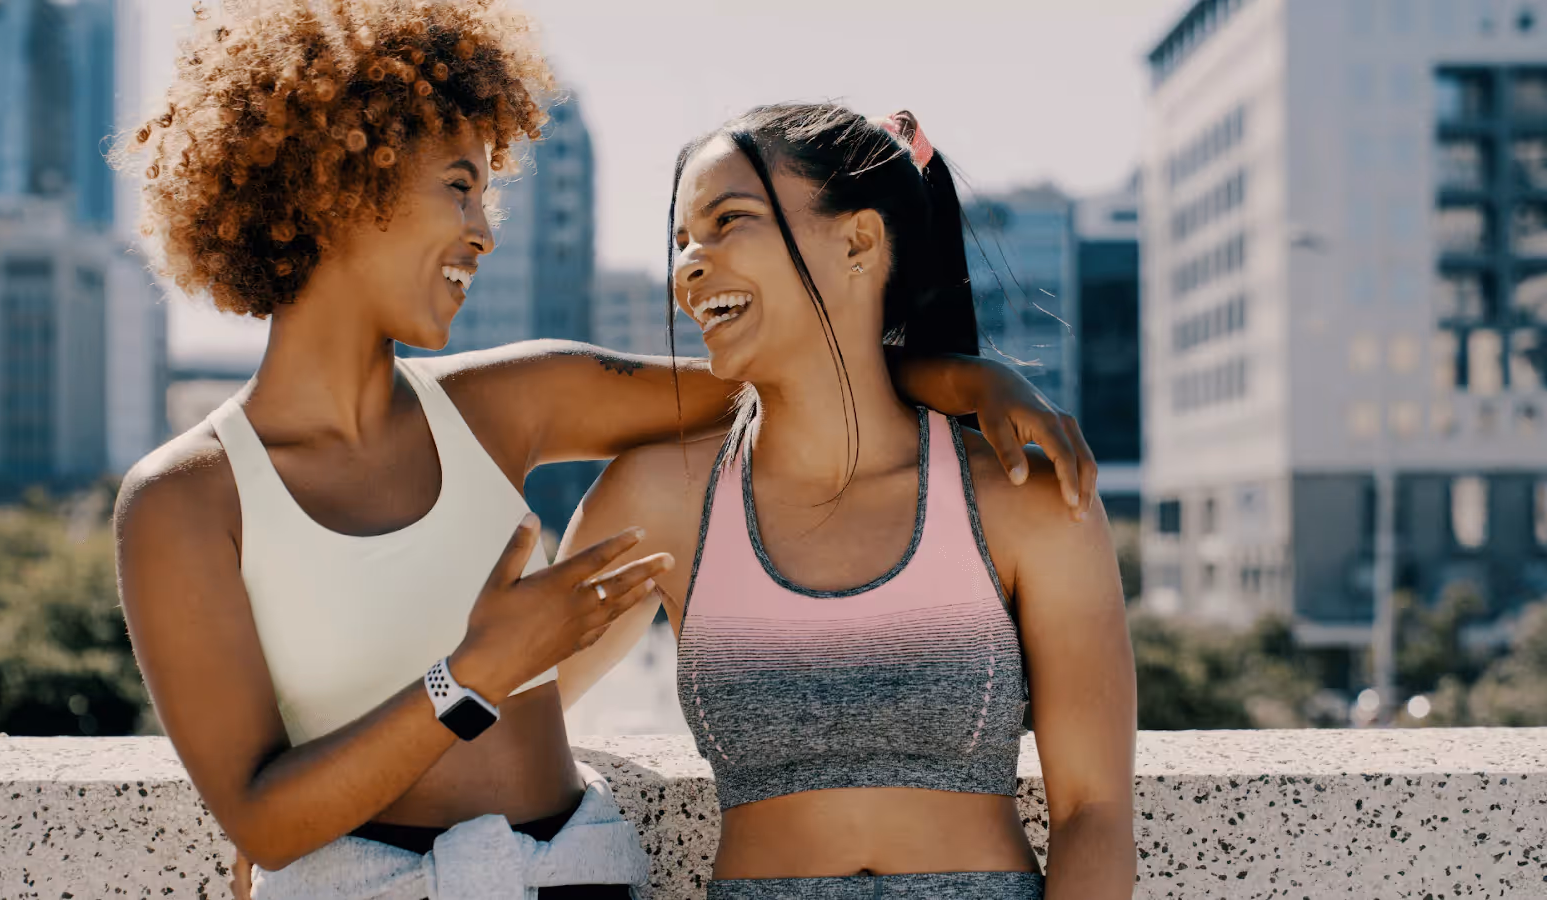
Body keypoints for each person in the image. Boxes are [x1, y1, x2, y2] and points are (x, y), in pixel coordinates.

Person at [111, 4, 1099, 898]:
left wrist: (968, 379)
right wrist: (477, 671)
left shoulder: (512, 401)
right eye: (459, 188)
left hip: (573, 876)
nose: (483, 231)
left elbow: (795, 362)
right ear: (338, 181)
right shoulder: (184, 500)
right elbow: (263, 821)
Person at [555, 105, 1137, 899]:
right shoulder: (659, 500)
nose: (688, 264)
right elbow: (516, 709)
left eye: (728, 221)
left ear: (859, 242)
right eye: (682, 240)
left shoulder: (1024, 498)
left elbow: (1093, 812)